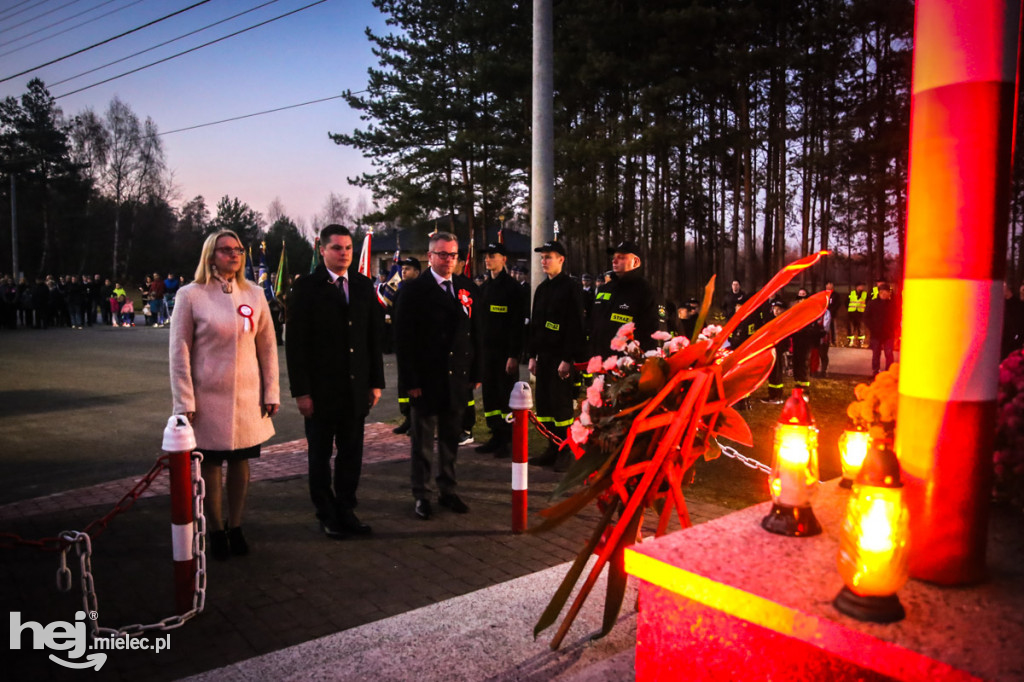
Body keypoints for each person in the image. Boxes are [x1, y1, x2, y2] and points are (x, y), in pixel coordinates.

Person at [169, 230, 280, 560]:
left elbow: (268, 347)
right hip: (207, 398)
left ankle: (236, 525)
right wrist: (184, 400)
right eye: (226, 250)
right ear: (210, 255)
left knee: (241, 464)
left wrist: (271, 390)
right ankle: (216, 530)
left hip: (248, 397)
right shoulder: (190, 295)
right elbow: (179, 351)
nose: (234, 255)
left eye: (238, 250)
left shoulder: (255, 294)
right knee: (211, 467)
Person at [286, 224, 385, 539]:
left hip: (355, 390)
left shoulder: (361, 284)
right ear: (323, 250)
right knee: (319, 456)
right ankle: (326, 513)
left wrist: (375, 382)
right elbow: (296, 345)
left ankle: (346, 509)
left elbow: (372, 338)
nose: (343, 254)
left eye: (348, 248)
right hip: (321, 392)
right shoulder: (307, 287)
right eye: (337, 248)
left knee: (351, 454)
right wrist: (301, 392)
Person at [395, 231, 482, 520]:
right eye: (442, 254)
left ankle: (448, 489)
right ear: (430, 256)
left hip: (456, 378)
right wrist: (411, 382)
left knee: (450, 438)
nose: (448, 260)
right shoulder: (414, 290)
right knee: (421, 442)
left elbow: (475, 332)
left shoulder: (466, 287)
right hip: (427, 379)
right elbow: (405, 341)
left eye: (453, 255)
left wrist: (476, 370)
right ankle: (422, 494)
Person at [526, 240, 585, 472]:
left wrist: (568, 359)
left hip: (561, 358)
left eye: (548, 257)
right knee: (546, 406)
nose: (544, 261)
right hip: (543, 357)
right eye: (542, 257)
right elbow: (536, 325)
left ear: (561, 259)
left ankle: (565, 450)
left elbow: (576, 326)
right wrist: (532, 355)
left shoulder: (571, 287)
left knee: (561, 408)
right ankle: (551, 448)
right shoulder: (542, 289)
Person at [474, 243, 525, 458]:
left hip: (505, 354)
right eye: (486, 256)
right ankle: (495, 434)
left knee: (506, 396)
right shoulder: (484, 288)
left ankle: (507, 438)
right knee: (491, 396)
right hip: (487, 353)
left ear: (504, 259)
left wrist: (514, 355)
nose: (488, 259)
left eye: (492, 256)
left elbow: (517, 325)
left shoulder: (513, 288)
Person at [589, 241, 659, 357]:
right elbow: (594, 324)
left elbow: (652, 333)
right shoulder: (605, 289)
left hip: (627, 364)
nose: (614, 261)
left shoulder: (645, 291)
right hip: (600, 362)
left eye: (621, 258)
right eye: (614, 257)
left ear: (636, 262)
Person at [392, 256, 421, 435]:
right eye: (403, 269)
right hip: (401, 344)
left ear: (417, 272)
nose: (404, 272)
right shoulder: (400, 291)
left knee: (415, 383)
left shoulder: (421, 292)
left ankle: (416, 420)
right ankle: (407, 417)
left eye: (408, 269)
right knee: (403, 384)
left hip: (416, 345)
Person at [864, 283, 898, 375]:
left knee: (889, 353)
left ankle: (889, 372)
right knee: (876, 353)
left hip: (888, 333)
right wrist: (872, 328)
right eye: (883, 292)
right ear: (880, 293)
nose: (885, 294)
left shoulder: (892, 304)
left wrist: (893, 328)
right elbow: (866, 317)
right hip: (876, 333)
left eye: (887, 292)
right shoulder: (872, 303)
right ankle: (875, 371)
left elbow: (897, 317)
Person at [761, 299, 790, 404]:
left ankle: (777, 396)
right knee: (772, 374)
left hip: (779, 350)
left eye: (778, 309)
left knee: (777, 374)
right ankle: (772, 395)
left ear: (783, 310)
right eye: (775, 309)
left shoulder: (784, 321)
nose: (776, 311)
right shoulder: (771, 320)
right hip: (771, 350)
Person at [847, 282, 867, 347]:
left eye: (863, 286)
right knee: (851, 328)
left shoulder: (865, 294)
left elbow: (868, 303)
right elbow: (846, 302)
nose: (862, 287)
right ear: (857, 287)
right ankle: (850, 341)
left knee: (861, 328)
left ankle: (860, 342)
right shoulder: (851, 293)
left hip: (861, 313)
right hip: (852, 313)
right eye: (861, 286)